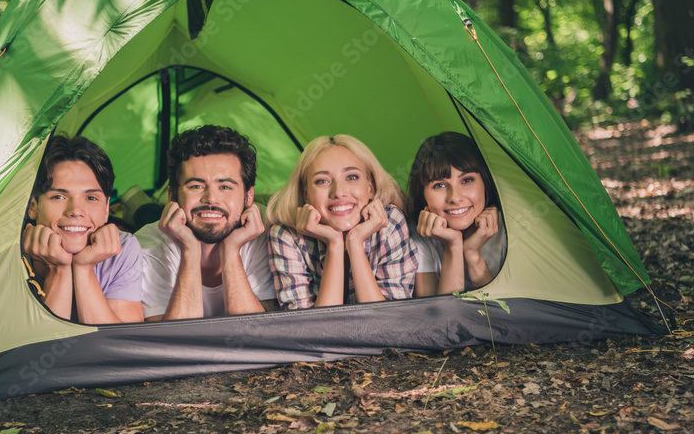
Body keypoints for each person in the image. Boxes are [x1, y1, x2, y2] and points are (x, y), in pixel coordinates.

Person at [135, 125, 276, 320]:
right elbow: (173, 343)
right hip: (158, 223)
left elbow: (258, 335)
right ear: (171, 195)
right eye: (196, 186)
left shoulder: (269, 234)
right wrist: (190, 250)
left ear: (248, 196)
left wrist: (231, 249)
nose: (211, 199)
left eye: (225, 186)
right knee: (142, 211)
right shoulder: (145, 248)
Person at [265, 134, 416, 310]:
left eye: (351, 177)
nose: (338, 192)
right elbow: (312, 330)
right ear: (306, 193)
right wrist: (334, 244)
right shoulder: (286, 235)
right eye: (322, 181)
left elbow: (389, 323)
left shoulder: (390, 223)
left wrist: (355, 242)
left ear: (370, 187)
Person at [22, 135, 144, 324]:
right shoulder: (6, 255)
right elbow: (40, 350)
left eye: (91, 198)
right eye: (59, 197)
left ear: (106, 209)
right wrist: (58, 269)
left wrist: (84, 268)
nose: (76, 211)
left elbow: (122, 348)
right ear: (32, 206)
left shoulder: (123, 248)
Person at [405, 132, 505, 296]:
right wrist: (453, 246)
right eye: (439, 185)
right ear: (422, 193)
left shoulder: (510, 227)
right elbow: (439, 319)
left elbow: (504, 318)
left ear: (485, 182)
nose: (455, 198)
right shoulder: (416, 234)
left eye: (466, 180)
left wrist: (473, 255)